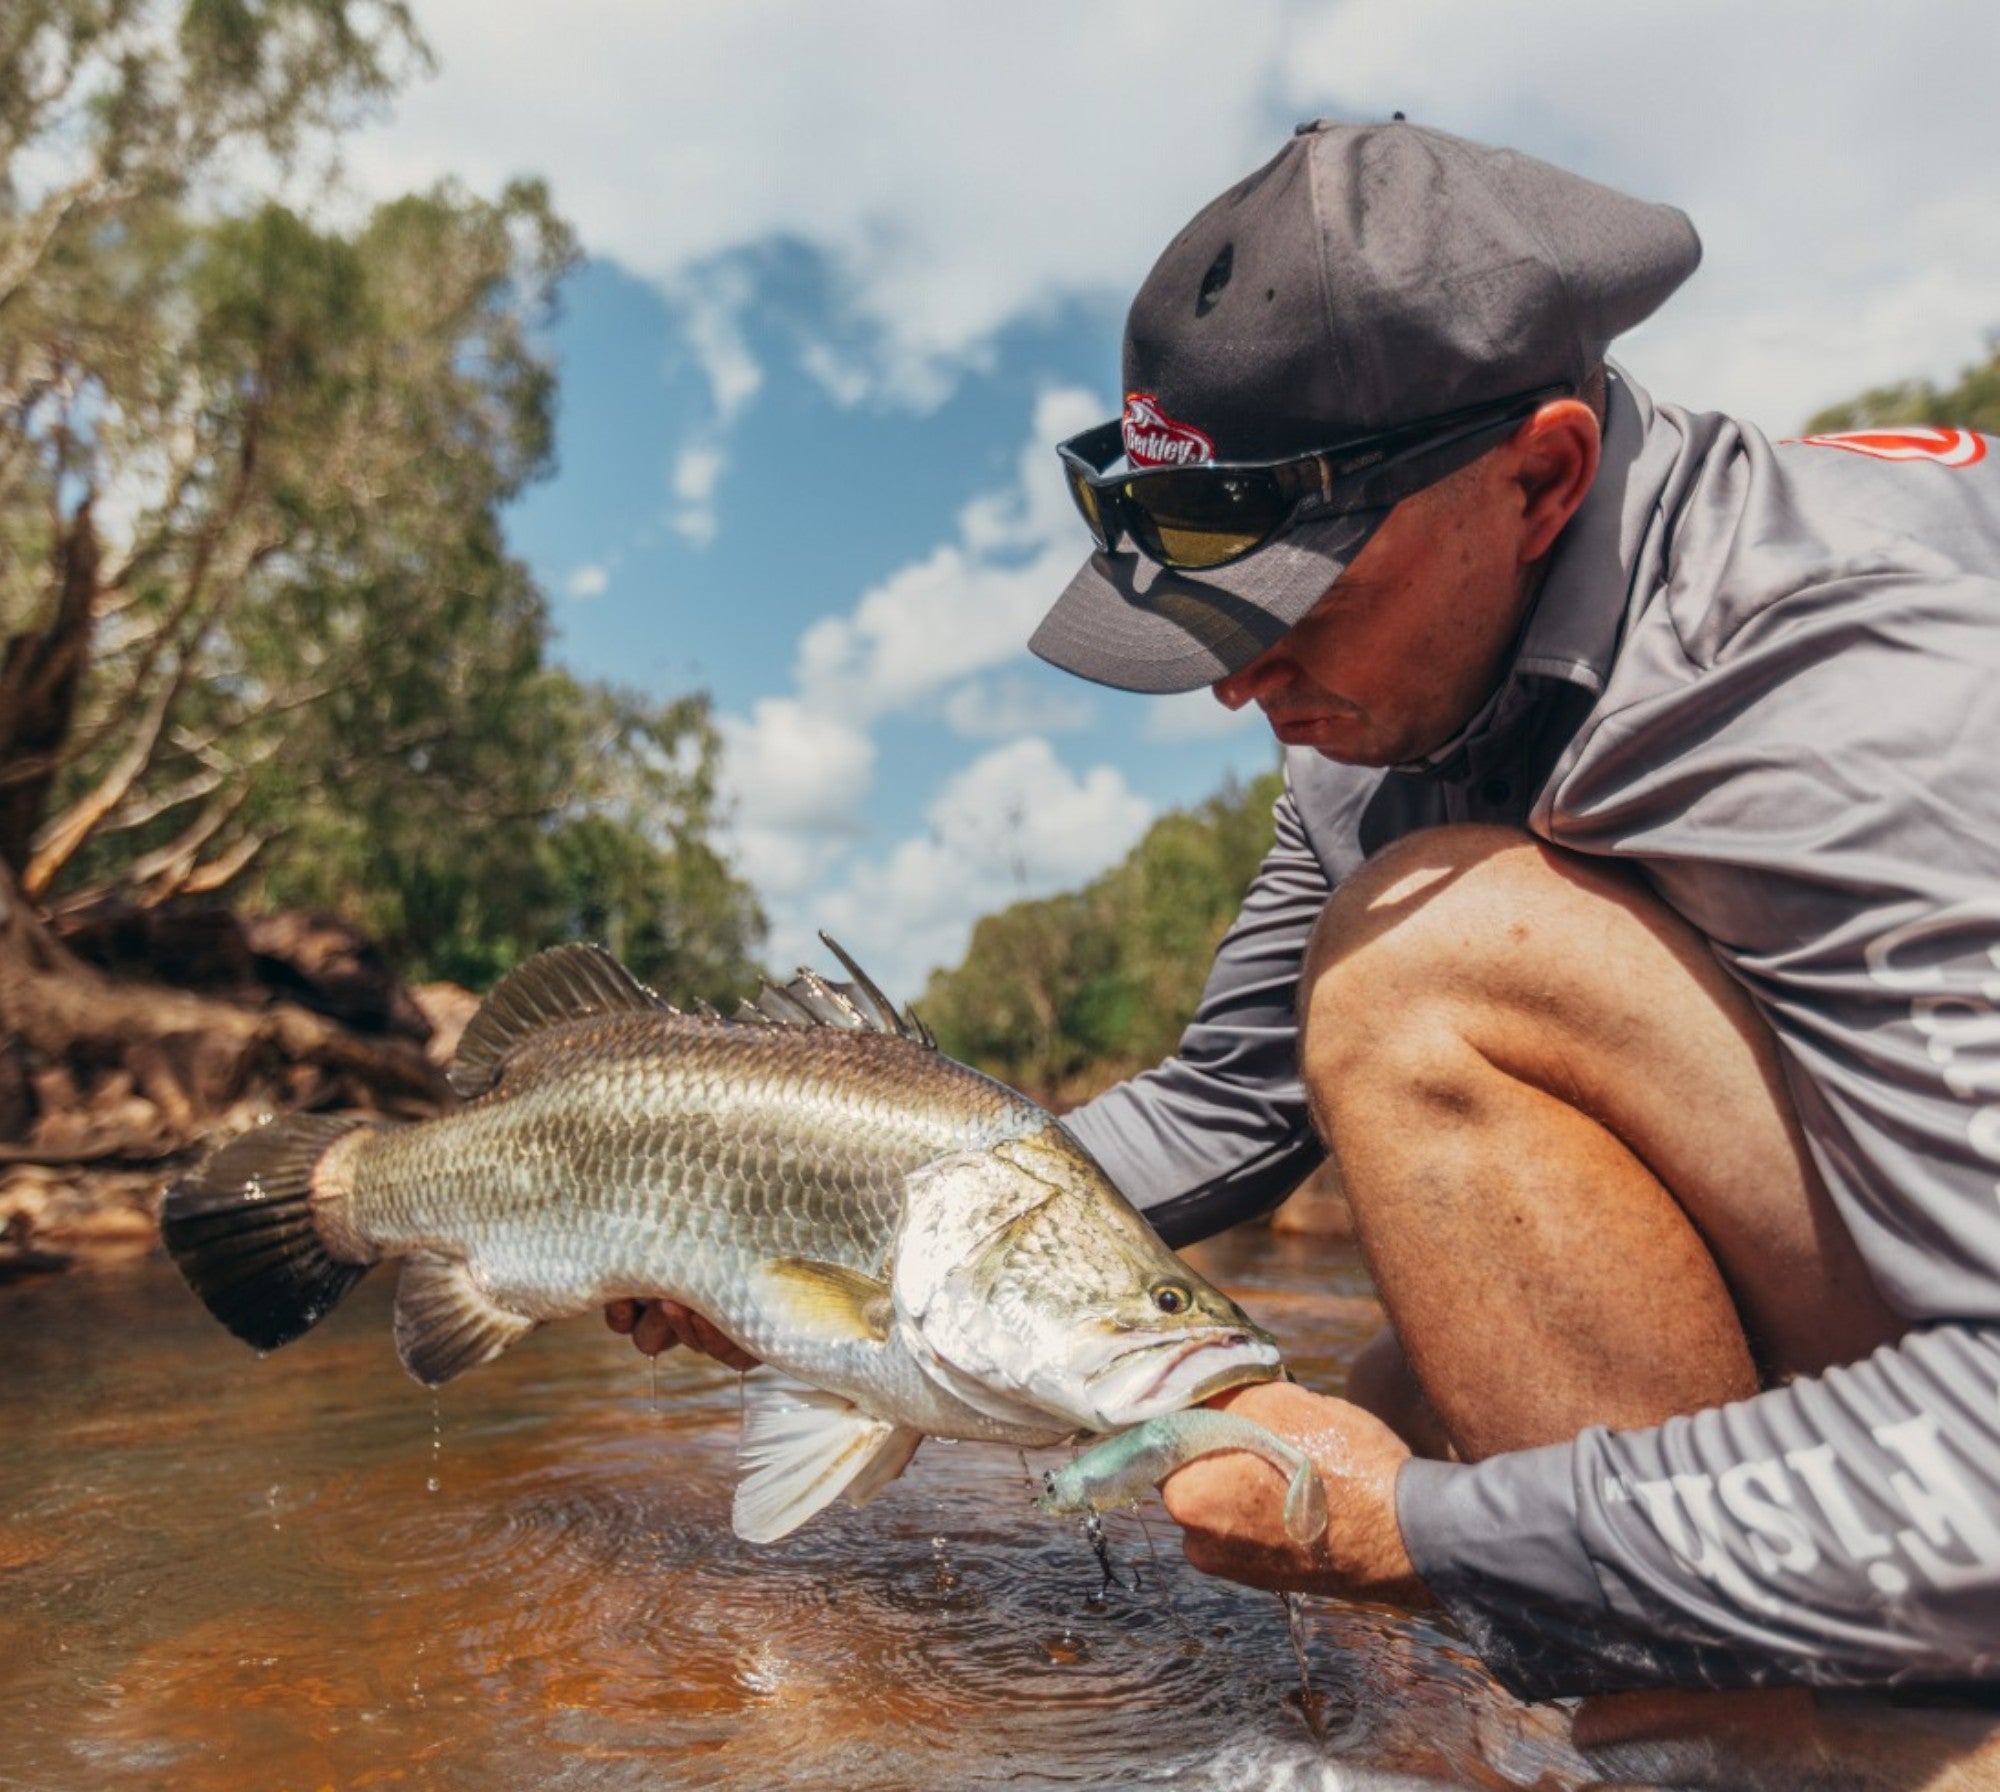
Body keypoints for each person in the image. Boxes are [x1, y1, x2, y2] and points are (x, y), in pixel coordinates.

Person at [617, 118, 2000, 1700]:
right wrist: (834, 1243)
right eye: (1211, 617)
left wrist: (1418, 1534)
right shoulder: (1376, 720)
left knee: (1426, 972)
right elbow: (1223, 1106)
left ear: (1543, 476)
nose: (1231, 686)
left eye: (1292, 608)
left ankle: (1737, 1763)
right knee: (1412, 1374)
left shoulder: (1857, 687)